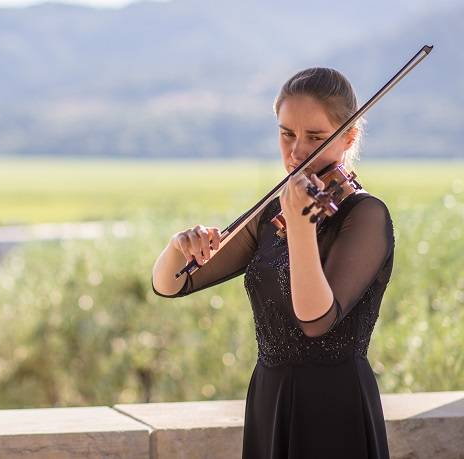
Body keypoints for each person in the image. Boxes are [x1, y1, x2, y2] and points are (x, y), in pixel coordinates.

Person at [151, 67, 393, 459]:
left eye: (315, 137)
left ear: (349, 136)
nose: (297, 151)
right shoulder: (271, 215)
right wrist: (178, 247)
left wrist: (299, 228)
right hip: (270, 398)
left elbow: (316, 319)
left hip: (335, 407)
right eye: (286, 134)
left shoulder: (364, 215)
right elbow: (172, 284)